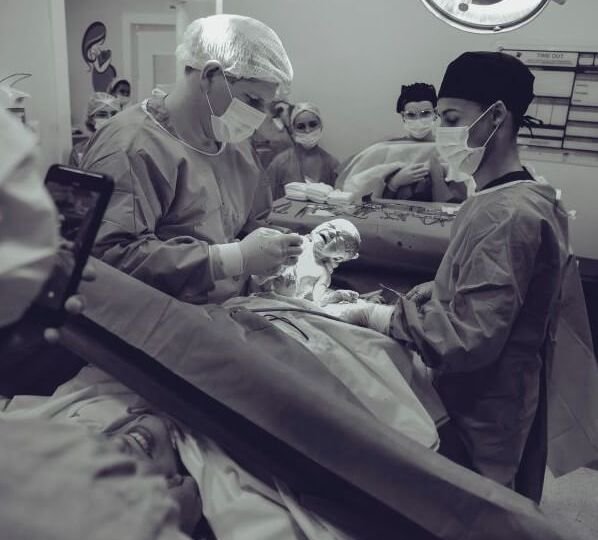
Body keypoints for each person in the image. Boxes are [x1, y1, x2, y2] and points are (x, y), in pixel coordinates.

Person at [326, 51, 592, 502]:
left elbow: (466, 339)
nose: (440, 130)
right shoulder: (511, 196)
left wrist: (376, 318)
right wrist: (420, 295)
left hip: (484, 409)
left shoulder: (507, 214)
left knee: (473, 510)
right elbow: (483, 284)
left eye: (451, 117)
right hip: (501, 394)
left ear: (496, 117)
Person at [81, 15, 303, 304]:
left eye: (266, 105)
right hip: (159, 322)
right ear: (210, 75)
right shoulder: (130, 146)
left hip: (230, 309)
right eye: (252, 101)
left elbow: (253, 223)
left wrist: (281, 250)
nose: (259, 117)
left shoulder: (234, 144)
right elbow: (107, 258)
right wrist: (230, 259)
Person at [267, 102, 340, 200]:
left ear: (321, 125)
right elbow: (266, 201)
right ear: (293, 130)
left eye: (313, 124)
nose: (307, 130)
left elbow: (339, 203)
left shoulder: (332, 164)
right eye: (301, 126)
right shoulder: (280, 163)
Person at [69, 92, 120, 167]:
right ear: (91, 119)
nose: (109, 119)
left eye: (114, 114)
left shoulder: (126, 149)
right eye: (102, 114)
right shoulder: (79, 151)